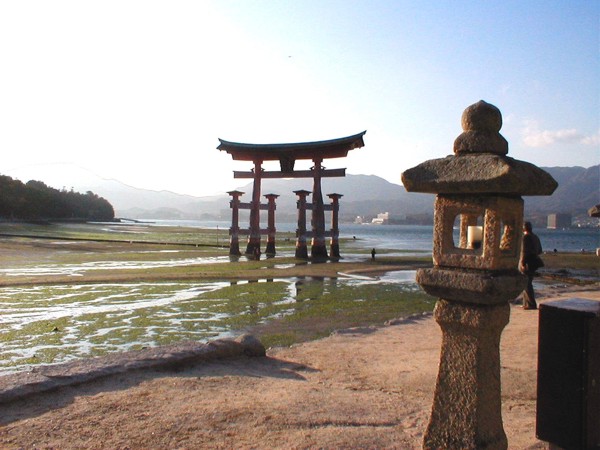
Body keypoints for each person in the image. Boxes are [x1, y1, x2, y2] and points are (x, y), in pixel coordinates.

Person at [519, 221, 543, 310]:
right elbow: (540, 250)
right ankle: (526, 303)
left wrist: (522, 263)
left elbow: (524, 251)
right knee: (528, 282)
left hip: (527, 263)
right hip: (534, 262)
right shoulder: (535, 237)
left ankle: (531, 303)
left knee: (526, 283)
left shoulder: (525, 237)